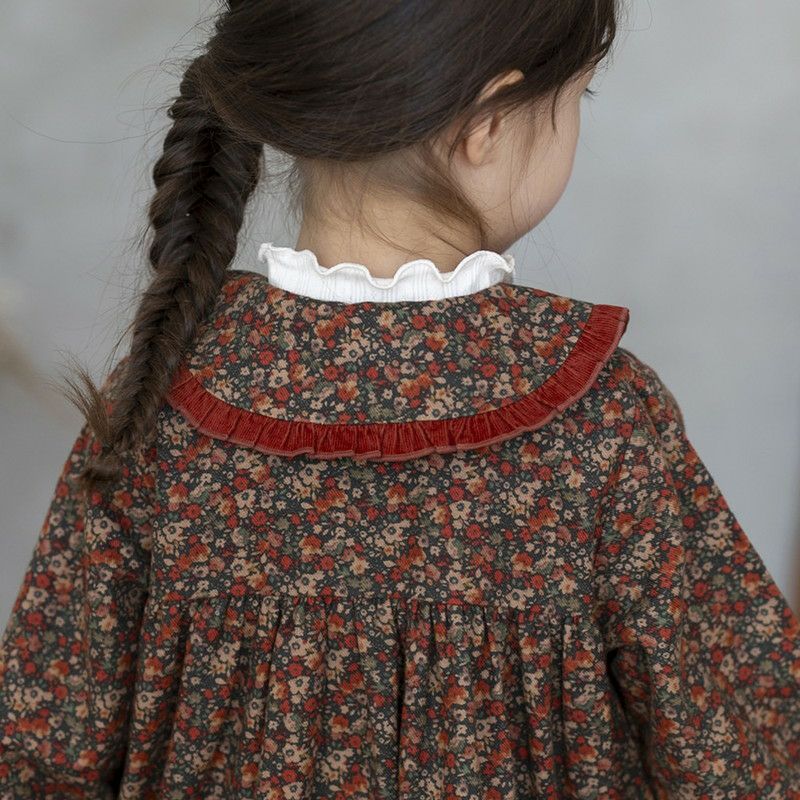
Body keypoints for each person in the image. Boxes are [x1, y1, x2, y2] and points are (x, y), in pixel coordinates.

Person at [1, 1, 799, 797]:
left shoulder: (161, 394)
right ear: (487, 123)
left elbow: (40, 752)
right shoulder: (602, 417)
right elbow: (746, 751)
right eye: (576, 95)